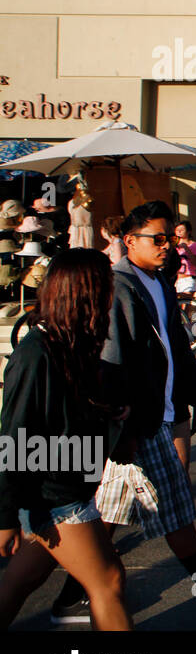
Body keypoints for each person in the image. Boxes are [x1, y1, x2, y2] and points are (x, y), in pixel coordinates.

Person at [53, 200, 196, 622]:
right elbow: (112, 361)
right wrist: (126, 421)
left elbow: (179, 351)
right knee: (173, 507)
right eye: (157, 238)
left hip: (157, 414)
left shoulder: (158, 283)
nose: (167, 245)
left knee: (110, 513)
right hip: (139, 422)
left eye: (170, 238)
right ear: (129, 241)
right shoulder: (119, 286)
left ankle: (70, 595)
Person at [0, 250, 133, 630]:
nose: (111, 296)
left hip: (66, 485)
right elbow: (14, 438)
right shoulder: (35, 355)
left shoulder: (70, 346)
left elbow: (67, 418)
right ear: (83, 294)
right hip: (54, 494)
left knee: (22, 579)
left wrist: (108, 413)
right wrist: (5, 517)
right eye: (105, 288)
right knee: (108, 581)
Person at [172, 220, 196, 297]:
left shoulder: (195, 245)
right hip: (175, 279)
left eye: (182, 230)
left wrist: (187, 249)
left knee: (185, 303)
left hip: (188, 278)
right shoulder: (173, 245)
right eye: (177, 230)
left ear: (188, 231)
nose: (179, 232)